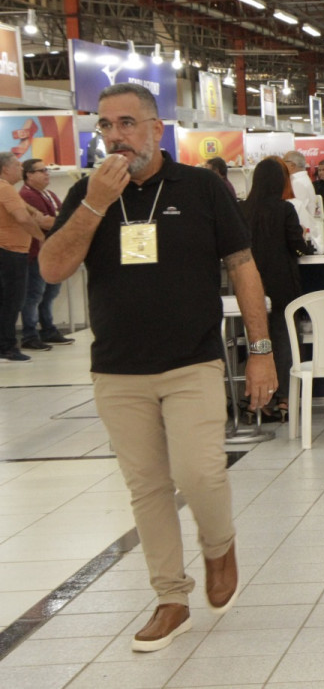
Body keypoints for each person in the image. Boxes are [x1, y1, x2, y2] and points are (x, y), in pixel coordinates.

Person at [39, 83, 274, 651]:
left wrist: (262, 352)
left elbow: (243, 267)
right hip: (117, 369)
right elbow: (51, 268)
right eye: (106, 126)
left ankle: (219, 547)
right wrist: (93, 203)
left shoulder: (201, 188)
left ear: (155, 129)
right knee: (146, 487)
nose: (115, 137)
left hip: (192, 360)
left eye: (126, 124)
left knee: (200, 474)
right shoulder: (88, 193)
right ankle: (171, 598)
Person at [240, 158, 316, 421]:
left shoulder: (242, 209)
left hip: (250, 286)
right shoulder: (284, 209)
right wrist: (307, 248)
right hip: (282, 283)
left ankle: (257, 401)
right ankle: (285, 399)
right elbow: (298, 244)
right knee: (284, 340)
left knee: (256, 341)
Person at [19, 159, 73, 351]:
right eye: (41, 171)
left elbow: (62, 217)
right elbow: (47, 223)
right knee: (34, 295)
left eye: (47, 170)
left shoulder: (48, 194)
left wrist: (60, 221)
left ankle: (48, 330)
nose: (46, 173)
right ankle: (30, 335)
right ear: (28, 175)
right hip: (36, 253)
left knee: (49, 294)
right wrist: (61, 221)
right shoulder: (27, 195)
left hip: (52, 252)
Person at [0, 152, 46, 362]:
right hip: (10, 251)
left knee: (6, 300)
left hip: (7, 250)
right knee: (12, 301)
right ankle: (8, 347)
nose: (21, 169)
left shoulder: (7, 190)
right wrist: (40, 237)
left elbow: (28, 211)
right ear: (5, 168)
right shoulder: (5, 188)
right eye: (18, 165)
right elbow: (22, 218)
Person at [283, 151, 323, 252]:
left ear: (292, 165)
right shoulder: (303, 180)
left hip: (303, 235)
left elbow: (296, 212)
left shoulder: (296, 183)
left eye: (284, 162)